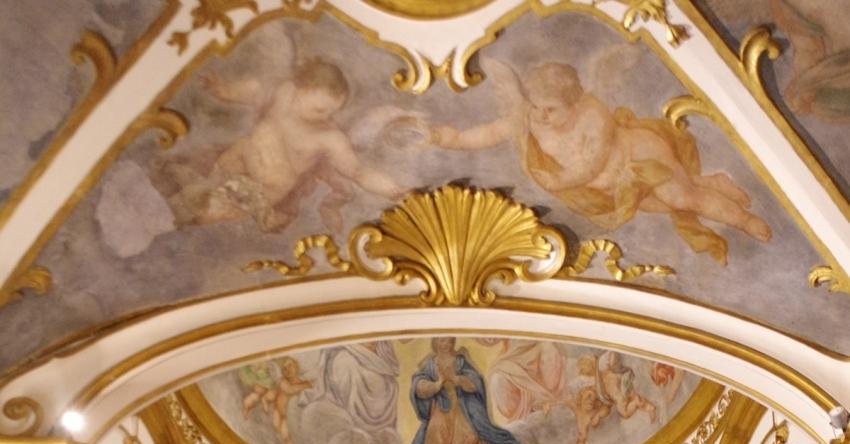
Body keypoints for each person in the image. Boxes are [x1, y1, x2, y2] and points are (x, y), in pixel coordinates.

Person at [432, 60, 771, 262]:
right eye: (535, 106)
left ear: (574, 104)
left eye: (551, 109)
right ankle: (715, 183)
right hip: (620, 188)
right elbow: (491, 132)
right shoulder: (530, 117)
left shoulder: (593, 117)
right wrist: (452, 139)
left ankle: (744, 219)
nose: (541, 115)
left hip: (641, 157)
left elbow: (591, 165)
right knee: (664, 204)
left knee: (683, 198)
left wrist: (559, 181)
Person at [175, 58, 403, 233]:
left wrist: (395, 191)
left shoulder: (329, 137)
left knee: (205, 215)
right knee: (190, 197)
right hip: (232, 167)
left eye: (334, 111)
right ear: (300, 90)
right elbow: (253, 90)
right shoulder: (283, 93)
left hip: (262, 192)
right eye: (321, 110)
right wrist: (222, 90)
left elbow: (358, 172)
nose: (327, 117)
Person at [404, 338, 527, 444]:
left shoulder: (460, 361)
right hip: (440, 409)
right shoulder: (430, 364)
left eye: (450, 341)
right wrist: (436, 385)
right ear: (436, 343)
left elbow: (476, 382)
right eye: (443, 341)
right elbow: (418, 385)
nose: (447, 344)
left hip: (462, 408)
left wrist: (457, 379)